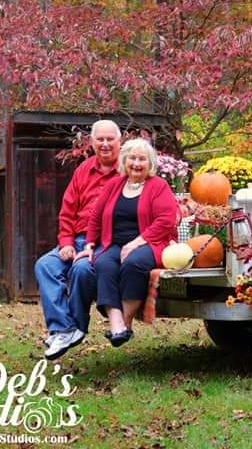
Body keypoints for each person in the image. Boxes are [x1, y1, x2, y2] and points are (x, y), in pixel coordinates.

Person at [35, 119, 121, 361]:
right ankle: (63, 328)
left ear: (119, 141)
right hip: (77, 239)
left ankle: (78, 326)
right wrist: (66, 243)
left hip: (105, 243)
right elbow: (67, 212)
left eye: (110, 139)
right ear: (92, 142)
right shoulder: (83, 170)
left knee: (82, 270)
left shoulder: (128, 171)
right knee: (45, 265)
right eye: (100, 139)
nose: (105, 144)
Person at [80, 138, 177, 346]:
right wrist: (89, 244)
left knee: (134, 263)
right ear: (124, 161)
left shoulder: (158, 186)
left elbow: (166, 221)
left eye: (142, 159)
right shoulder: (114, 185)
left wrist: (137, 242)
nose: (136, 163)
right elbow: (96, 216)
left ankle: (125, 323)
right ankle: (117, 325)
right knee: (103, 264)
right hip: (114, 244)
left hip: (151, 243)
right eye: (132, 158)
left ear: (150, 163)